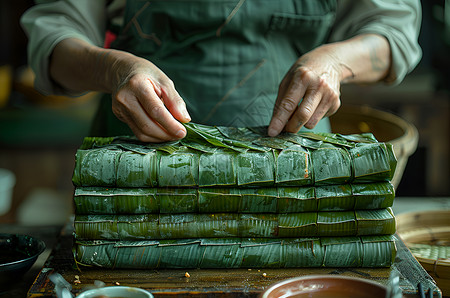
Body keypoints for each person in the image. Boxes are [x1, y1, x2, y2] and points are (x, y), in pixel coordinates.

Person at [21, 0, 422, 143]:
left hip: (293, 164)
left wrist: (335, 61)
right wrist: (116, 69)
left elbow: (394, 31)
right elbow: (53, 40)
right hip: (139, 163)